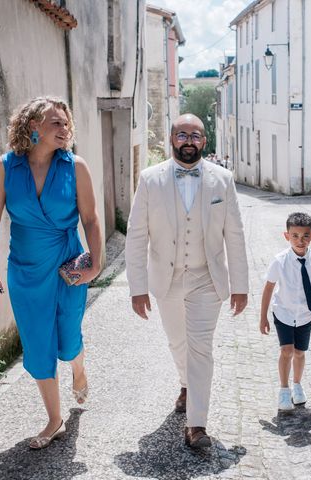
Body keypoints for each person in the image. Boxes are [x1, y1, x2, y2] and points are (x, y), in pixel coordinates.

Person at [0, 96, 102, 448]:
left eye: (66, 123)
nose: (64, 129)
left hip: (67, 263)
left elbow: (91, 219)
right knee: (37, 341)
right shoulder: (5, 168)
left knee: (66, 333)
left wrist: (95, 262)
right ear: (33, 126)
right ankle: (54, 419)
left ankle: (78, 369)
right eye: (55, 123)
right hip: (25, 269)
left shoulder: (75, 167)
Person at [125, 113, 249, 448]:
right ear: (171, 139)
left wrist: (240, 285)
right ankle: (184, 383)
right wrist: (137, 288)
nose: (189, 141)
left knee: (200, 348)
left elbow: (235, 234)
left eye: (195, 135)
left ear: (204, 141)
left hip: (207, 278)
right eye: (182, 135)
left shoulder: (223, 180)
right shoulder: (150, 179)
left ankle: (197, 425)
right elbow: (136, 236)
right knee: (177, 342)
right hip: (167, 277)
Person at [259, 212, 311, 412]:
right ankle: (283, 390)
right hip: (283, 312)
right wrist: (263, 317)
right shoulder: (279, 261)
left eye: (305, 236)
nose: (300, 241)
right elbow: (268, 288)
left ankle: (297, 385)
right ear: (286, 236)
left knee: (300, 352)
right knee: (286, 351)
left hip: (305, 314)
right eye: (295, 236)